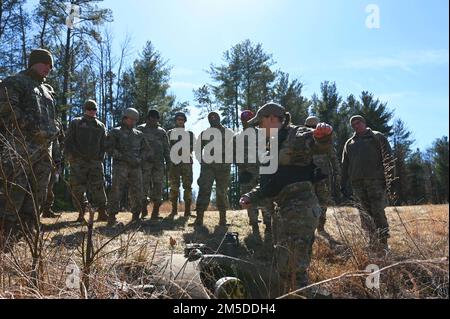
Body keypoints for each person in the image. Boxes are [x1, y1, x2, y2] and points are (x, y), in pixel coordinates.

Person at [239, 103, 333, 294]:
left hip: (300, 208)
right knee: (283, 270)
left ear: (273, 119)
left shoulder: (297, 134)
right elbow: (266, 184)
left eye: (260, 123)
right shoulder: (269, 146)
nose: (258, 128)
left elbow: (318, 144)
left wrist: (323, 135)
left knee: (296, 273)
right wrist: (250, 196)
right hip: (282, 212)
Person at [0, 48, 58, 242]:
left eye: (51, 65)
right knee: (15, 190)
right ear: (34, 62)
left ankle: (27, 233)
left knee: (38, 193)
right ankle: (5, 233)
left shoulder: (48, 91)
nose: (49, 68)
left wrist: (53, 135)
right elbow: (7, 111)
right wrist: (33, 127)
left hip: (44, 150)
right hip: (20, 146)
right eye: (45, 63)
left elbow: (52, 119)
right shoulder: (15, 82)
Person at [341, 115, 393, 251]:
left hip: (375, 181)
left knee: (377, 211)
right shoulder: (349, 143)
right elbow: (345, 164)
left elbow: (388, 158)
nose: (356, 126)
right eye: (353, 125)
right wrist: (343, 183)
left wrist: (390, 180)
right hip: (357, 184)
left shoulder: (377, 137)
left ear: (364, 123)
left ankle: (383, 242)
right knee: (364, 213)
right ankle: (372, 241)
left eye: (358, 123)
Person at [64, 100, 108, 223]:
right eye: (89, 108)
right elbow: (69, 140)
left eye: (94, 108)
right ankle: (81, 213)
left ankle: (102, 213)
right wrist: (71, 157)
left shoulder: (100, 125)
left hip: (95, 162)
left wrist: (100, 158)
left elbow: (103, 144)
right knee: (77, 188)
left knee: (99, 187)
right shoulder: (76, 122)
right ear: (85, 109)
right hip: (78, 161)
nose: (91, 111)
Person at [106, 108, 146, 226]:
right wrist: (122, 157)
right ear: (125, 118)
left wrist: (139, 159)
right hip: (120, 166)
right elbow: (109, 148)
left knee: (137, 191)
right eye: (131, 119)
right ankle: (112, 217)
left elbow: (146, 150)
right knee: (116, 191)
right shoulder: (115, 132)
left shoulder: (139, 134)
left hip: (135, 167)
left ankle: (136, 216)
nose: (133, 122)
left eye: (135, 120)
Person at [194, 112, 234, 227]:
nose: (213, 119)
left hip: (223, 168)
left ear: (219, 118)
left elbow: (235, 147)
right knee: (204, 190)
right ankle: (199, 219)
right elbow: (197, 149)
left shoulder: (229, 132)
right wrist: (202, 161)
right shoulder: (204, 133)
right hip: (208, 168)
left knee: (222, 192)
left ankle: (223, 220)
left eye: (215, 116)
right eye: (210, 117)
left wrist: (229, 160)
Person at [235, 110, 271, 238]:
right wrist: (242, 169)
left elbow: (270, 150)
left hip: (262, 171)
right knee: (251, 199)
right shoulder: (238, 137)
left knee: (264, 197)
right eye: (246, 120)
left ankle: (267, 224)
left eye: (249, 119)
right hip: (248, 172)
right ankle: (257, 224)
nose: (248, 122)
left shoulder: (263, 135)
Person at [305, 116, 342, 234]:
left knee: (323, 201)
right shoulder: (302, 140)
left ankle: (320, 227)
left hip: (323, 177)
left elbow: (333, 158)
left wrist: (337, 173)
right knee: (307, 201)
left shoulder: (326, 141)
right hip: (307, 177)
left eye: (313, 127)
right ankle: (309, 226)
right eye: (309, 127)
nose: (311, 129)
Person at [138, 109, 171, 220]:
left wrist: (169, 163)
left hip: (158, 164)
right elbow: (135, 146)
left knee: (158, 186)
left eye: (155, 119)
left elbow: (166, 149)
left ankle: (155, 212)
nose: (153, 120)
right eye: (151, 118)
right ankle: (143, 210)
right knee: (143, 186)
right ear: (147, 118)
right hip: (144, 164)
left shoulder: (162, 132)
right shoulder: (140, 129)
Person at [167, 112, 195, 219]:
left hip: (187, 162)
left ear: (184, 121)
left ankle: (187, 210)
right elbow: (166, 147)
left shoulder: (190, 134)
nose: (180, 121)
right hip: (174, 163)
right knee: (174, 186)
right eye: (178, 119)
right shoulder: (169, 133)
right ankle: (174, 210)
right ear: (175, 120)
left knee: (187, 186)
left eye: (182, 119)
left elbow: (193, 147)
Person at [42, 120, 65, 218]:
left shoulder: (57, 121)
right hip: (42, 157)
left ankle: (47, 209)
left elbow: (62, 138)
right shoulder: (41, 119)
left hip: (56, 158)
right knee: (41, 186)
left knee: (50, 185)